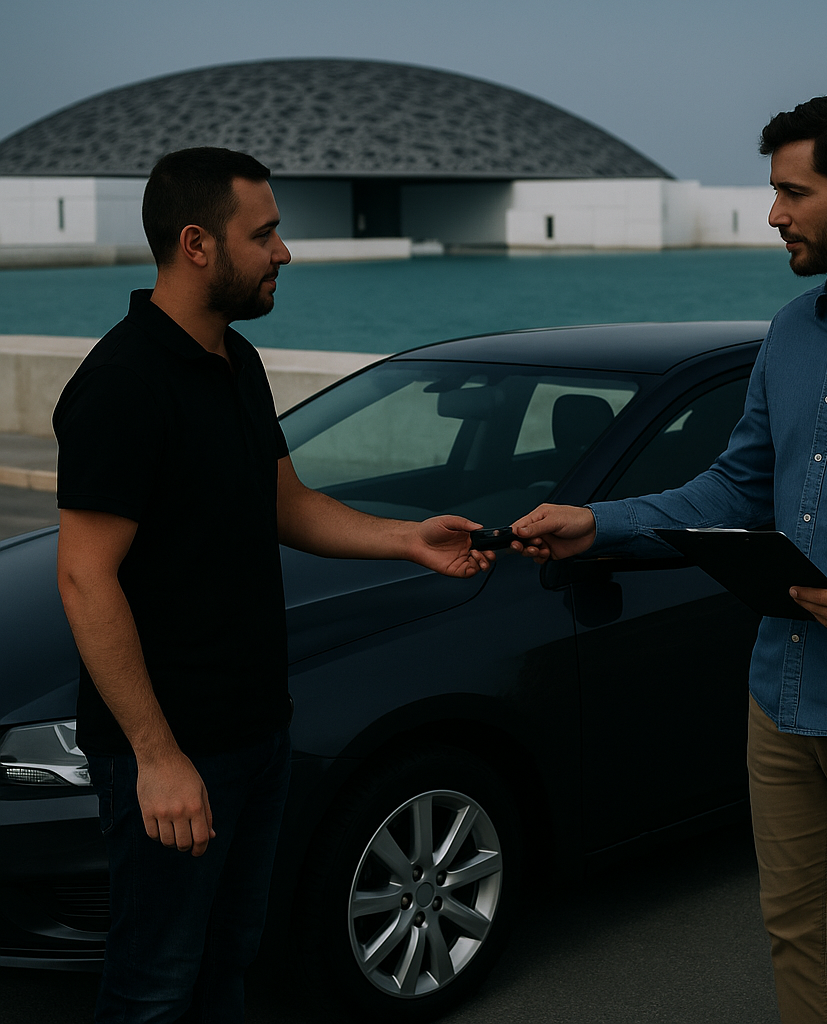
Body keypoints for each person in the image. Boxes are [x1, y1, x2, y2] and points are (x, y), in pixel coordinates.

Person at [511, 93, 827, 1023]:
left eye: (795, 191)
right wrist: (598, 524)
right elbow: (730, 490)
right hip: (778, 700)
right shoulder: (788, 332)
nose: (773, 213)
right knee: (798, 941)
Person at [53, 147, 494, 1024]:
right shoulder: (121, 385)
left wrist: (411, 538)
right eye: (265, 234)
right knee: (153, 984)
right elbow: (82, 576)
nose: (284, 251)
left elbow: (287, 504)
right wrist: (156, 756)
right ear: (196, 244)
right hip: (177, 752)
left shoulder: (237, 361)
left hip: (258, 732)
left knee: (228, 966)